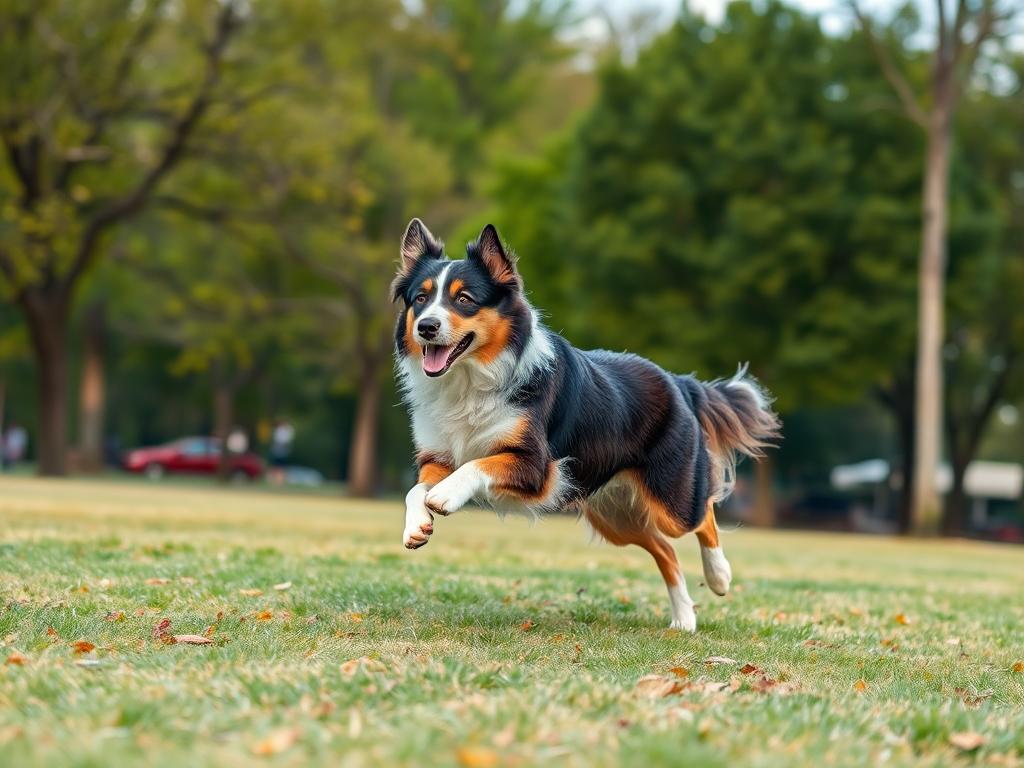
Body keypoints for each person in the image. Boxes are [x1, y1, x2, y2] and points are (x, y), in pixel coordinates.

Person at [268, 419, 294, 486]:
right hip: (279, 451)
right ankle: (276, 481)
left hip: (281, 451)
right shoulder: (280, 431)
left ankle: (279, 481)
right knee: (278, 466)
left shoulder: (285, 431)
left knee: (280, 467)